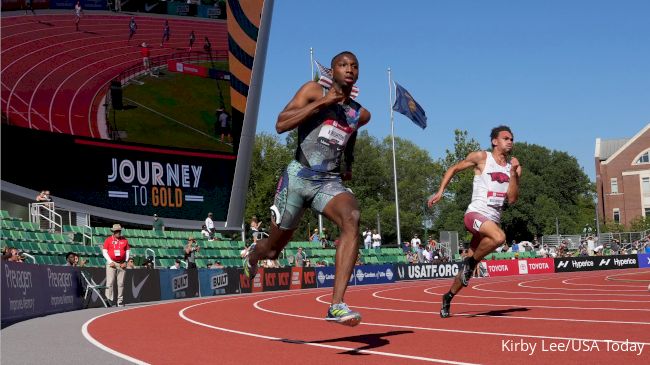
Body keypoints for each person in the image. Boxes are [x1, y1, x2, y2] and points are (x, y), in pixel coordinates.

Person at [242, 51, 371, 327]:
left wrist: (348, 163)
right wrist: (323, 102)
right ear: (333, 70)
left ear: (358, 74)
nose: (349, 69)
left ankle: (336, 305)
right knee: (273, 251)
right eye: (343, 65)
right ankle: (254, 254)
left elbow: (352, 134)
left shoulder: (360, 113)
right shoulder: (314, 90)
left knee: (353, 218)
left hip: (329, 182)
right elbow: (280, 124)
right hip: (298, 178)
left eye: (354, 66)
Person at [427, 125, 521, 318]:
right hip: (475, 215)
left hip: (491, 221)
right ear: (495, 141)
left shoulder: (513, 166)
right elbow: (454, 168)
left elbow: (511, 199)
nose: (510, 141)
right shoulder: (482, 158)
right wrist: (440, 191)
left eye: (512, 138)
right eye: (506, 138)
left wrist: (513, 174)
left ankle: (448, 297)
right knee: (499, 237)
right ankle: (471, 262)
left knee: (466, 271)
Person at [102, 224, 130, 307]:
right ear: (113, 232)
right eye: (116, 231)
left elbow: (127, 251)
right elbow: (104, 252)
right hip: (112, 263)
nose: (118, 232)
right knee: (110, 282)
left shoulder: (124, 240)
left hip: (122, 263)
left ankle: (120, 301)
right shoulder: (108, 240)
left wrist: (125, 261)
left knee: (121, 283)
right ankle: (108, 300)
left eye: (119, 231)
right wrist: (110, 261)